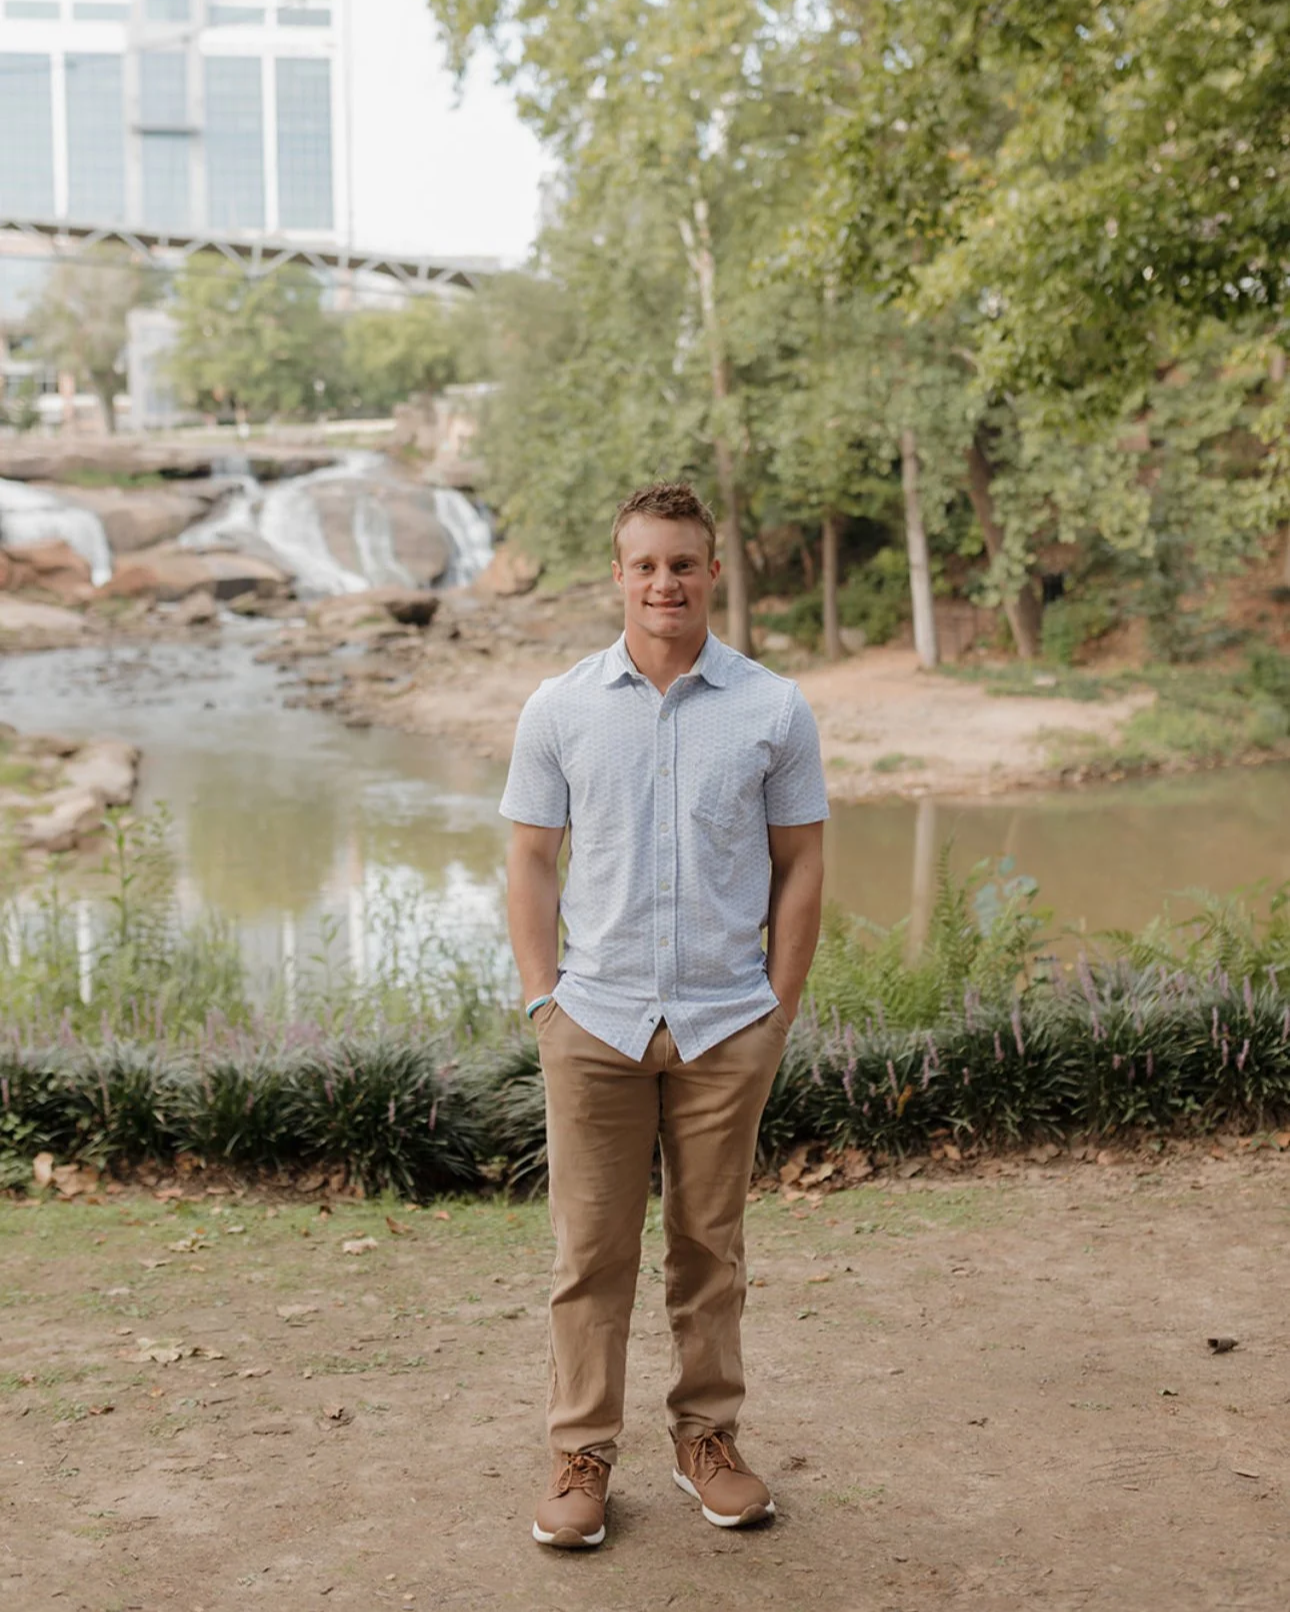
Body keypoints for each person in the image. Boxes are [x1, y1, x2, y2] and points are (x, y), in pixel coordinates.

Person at [500, 481, 828, 1549]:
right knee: (589, 1252)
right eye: (644, 564)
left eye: (682, 563)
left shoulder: (773, 708)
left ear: (713, 572)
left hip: (726, 1023)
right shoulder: (559, 706)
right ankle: (582, 1454)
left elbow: (802, 864)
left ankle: (708, 1439)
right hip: (591, 1022)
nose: (664, 582)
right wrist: (544, 996)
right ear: (618, 575)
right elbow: (530, 860)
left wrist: (776, 1008)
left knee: (709, 1245)